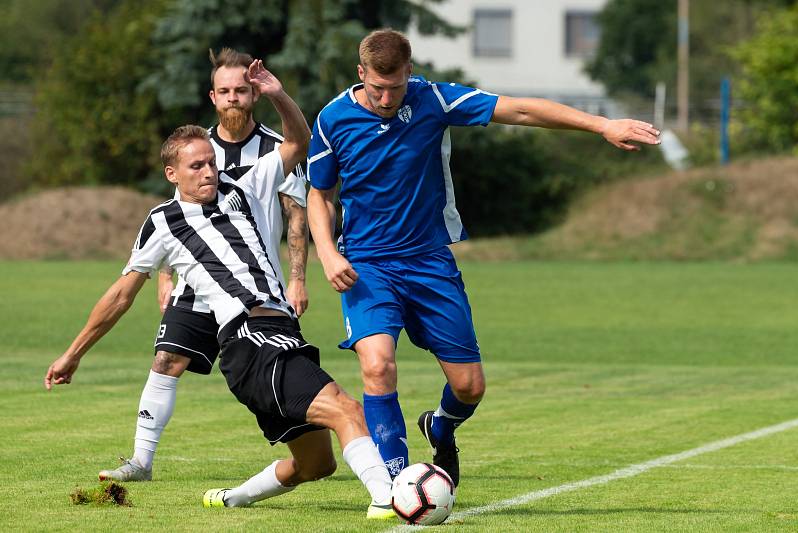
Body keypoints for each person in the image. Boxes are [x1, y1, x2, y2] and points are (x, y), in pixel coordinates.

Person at [306, 29, 661, 486]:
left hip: (429, 261)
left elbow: (520, 108)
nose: (387, 97)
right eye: (377, 87)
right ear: (361, 74)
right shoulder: (333, 119)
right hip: (367, 265)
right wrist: (328, 253)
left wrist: (603, 126)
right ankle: (393, 484)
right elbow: (320, 194)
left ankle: (440, 426)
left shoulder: (433, 100)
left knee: (469, 387)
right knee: (377, 365)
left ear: (409, 73)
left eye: (395, 87)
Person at [44, 63, 395, 520]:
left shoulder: (244, 187)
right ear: (172, 173)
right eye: (197, 166)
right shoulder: (162, 222)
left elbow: (296, 143)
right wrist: (73, 353)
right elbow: (120, 295)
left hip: (278, 331)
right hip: (250, 338)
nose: (209, 171)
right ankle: (391, 498)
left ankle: (229, 499)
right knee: (348, 409)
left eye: (211, 161)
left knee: (317, 464)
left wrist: (278, 95)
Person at [97, 48, 310, 483]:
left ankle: (310, 447)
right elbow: (175, 222)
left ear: (254, 94)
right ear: (213, 97)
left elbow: (296, 212)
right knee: (166, 360)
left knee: (272, 375)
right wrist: (165, 275)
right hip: (195, 285)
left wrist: (297, 278)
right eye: (226, 91)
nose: (234, 98)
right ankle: (140, 461)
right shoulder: (197, 147)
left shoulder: (273, 148)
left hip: (255, 286)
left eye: (242, 90)